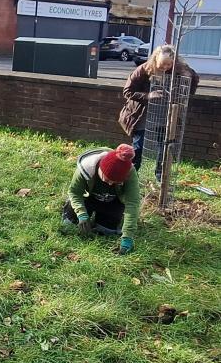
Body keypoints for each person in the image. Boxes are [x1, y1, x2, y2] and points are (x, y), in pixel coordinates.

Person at [119, 44, 199, 172]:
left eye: (168, 65)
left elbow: (192, 83)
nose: (164, 67)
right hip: (143, 114)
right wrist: (148, 95)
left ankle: (160, 177)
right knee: (138, 147)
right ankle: (131, 175)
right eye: (162, 64)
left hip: (165, 115)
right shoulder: (143, 70)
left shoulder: (178, 69)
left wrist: (188, 75)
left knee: (164, 147)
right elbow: (127, 91)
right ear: (155, 58)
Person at [60, 143, 140, 254]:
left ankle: (103, 221)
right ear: (100, 169)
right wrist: (81, 213)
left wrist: (127, 236)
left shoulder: (130, 173)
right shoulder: (87, 167)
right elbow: (74, 192)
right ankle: (78, 214)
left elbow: (133, 203)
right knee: (69, 224)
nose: (111, 183)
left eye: (115, 182)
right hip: (88, 198)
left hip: (112, 202)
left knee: (106, 231)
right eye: (107, 179)